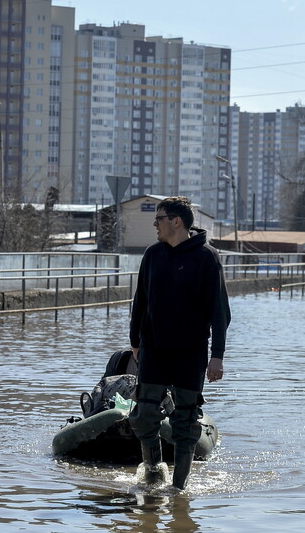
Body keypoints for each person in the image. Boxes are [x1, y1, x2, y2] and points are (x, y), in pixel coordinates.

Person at [128, 196, 231, 490]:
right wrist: (135, 341)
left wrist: (218, 356)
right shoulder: (152, 254)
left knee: (185, 425)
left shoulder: (206, 257)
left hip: (190, 353)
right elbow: (141, 302)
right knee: (143, 417)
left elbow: (220, 312)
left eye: (159, 219)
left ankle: (178, 488)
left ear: (176, 222)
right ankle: (153, 471)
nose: (155, 224)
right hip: (154, 350)